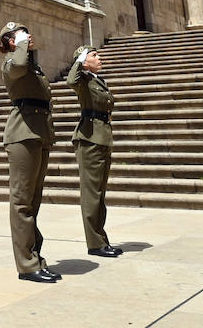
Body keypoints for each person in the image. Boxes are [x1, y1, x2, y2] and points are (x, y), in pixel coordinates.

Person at [0, 21, 58, 283]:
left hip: (38, 131)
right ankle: (27, 265)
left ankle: (36, 258)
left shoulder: (32, 65)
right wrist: (22, 45)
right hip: (22, 133)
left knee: (33, 201)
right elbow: (19, 66)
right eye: (21, 35)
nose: (28, 36)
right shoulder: (12, 63)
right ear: (11, 42)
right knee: (22, 201)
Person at [67, 45, 120, 258]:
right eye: (94, 55)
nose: (100, 57)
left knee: (100, 192)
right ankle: (95, 243)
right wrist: (79, 61)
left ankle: (101, 239)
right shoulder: (82, 80)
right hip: (89, 139)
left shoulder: (97, 80)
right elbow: (71, 80)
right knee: (92, 193)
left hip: (102, 137)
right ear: (84, 60)